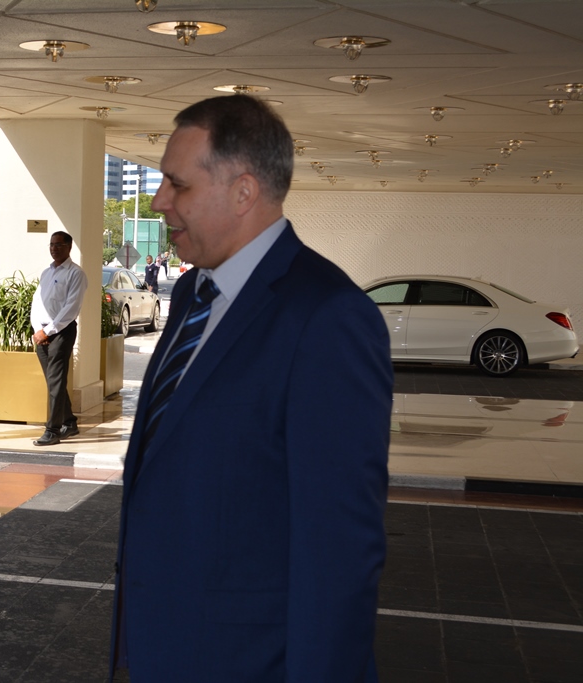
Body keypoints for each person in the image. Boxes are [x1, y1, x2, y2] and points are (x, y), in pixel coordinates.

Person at [110, 96, 392, 681]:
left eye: (177, 184)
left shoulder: (328, 317)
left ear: (243, 191)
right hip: (163, 650)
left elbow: (338, 552)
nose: (160, 200)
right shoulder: (192, 296)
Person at [30, 231, 87, 447]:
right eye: (52, 244)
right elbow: (37, 302)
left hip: (61, 332)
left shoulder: (76, 274)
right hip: (42, 333)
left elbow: (71, 308)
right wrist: (39, 329)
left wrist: (49, 331)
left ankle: (52, 430)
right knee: (53, 381)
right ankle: (69, 422)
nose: (54, 248)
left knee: (55, 381)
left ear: (69, 247)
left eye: (59, 245)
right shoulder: (46, 272)